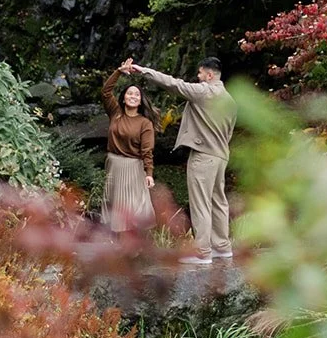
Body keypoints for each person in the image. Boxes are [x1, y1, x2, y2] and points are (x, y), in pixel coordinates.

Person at [122, 56, 236, 264]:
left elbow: (173, 84)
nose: (198, 77)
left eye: (200, 74)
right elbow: (228, 133)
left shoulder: (204, 92)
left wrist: (144, 71)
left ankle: (202, 251)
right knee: (219, 201)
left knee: (200, 202)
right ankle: (222, 246)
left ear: (209, 75)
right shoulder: (230, 100)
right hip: (221, 156)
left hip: (203, 156)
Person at [99, 62, 158, 232]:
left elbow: (147, 150)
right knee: (115, 206)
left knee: (134, 208)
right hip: (114, 164)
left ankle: (134, 246)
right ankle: (117, 246)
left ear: (140, 101)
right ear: (124, 98)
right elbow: (105, 92)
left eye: (137, 95)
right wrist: (118, 72)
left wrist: (149, 173)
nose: (133, 96)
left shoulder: (144, 123)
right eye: (129, 93)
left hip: (133, 166)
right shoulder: (115, 113)